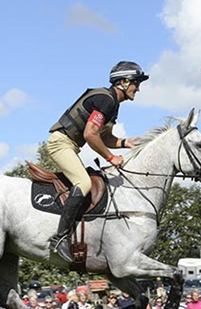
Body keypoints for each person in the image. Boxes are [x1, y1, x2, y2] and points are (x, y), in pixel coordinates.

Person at [46, 61, 148, 264]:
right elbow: (90, 134)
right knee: (83, 184)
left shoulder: (113, 105)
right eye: (136, 83)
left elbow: (106, 137)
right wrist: (111, 157)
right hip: (60, 143)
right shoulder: (106, 100)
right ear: (124, 82)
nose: (138, 87)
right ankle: (59, 239)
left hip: (70, 145)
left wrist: (126, 142)